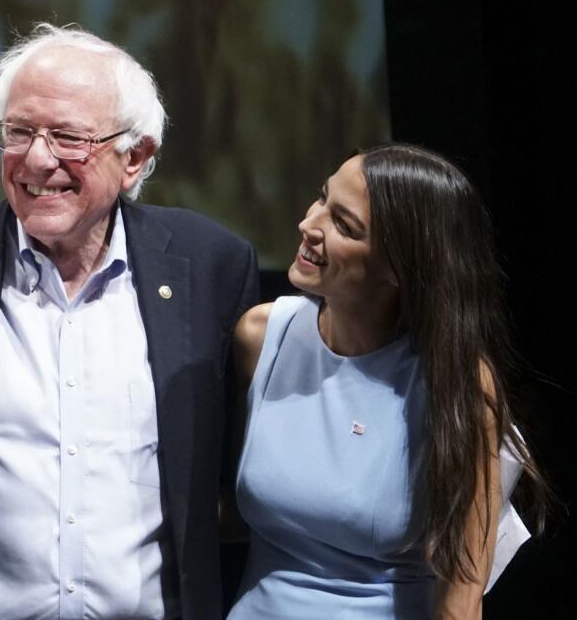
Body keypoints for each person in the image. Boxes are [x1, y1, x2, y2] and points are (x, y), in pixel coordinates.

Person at [0, 23, 259, 620]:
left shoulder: (210, 267)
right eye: (18, 132)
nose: (37, 160)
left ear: (135, 158)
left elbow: (231, 479)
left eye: (69, 137)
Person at [227, 143, 549, 618]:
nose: (308, 226)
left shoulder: (458, 384)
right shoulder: (260, 338)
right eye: (321, 199)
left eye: (343, 224)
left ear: (401, 266)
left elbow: (461, 600)